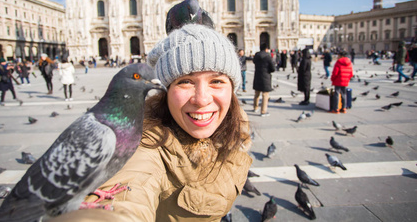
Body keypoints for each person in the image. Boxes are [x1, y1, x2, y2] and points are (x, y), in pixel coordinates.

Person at [52, 23, 252, 221]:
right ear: (165, 90)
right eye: (185, 81)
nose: (202, 99)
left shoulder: (236, 124)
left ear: (232, 89)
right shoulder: (142, 142)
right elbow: (129, 189)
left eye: (217, 81)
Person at [253, 43, 276, 117]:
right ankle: (263, 111)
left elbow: (254, 62)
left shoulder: (256, 56)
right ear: (266, 49)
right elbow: (272, 68)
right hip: (265, 77)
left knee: (257, 93)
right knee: (265, 95)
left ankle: (255, 107)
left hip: (257, 75)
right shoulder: (267, 56)